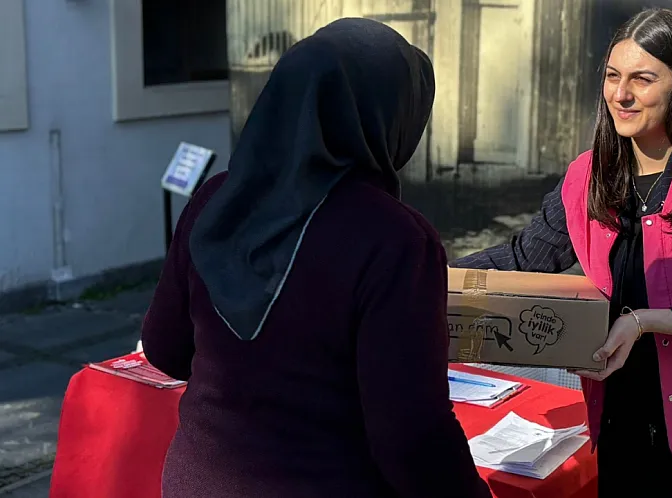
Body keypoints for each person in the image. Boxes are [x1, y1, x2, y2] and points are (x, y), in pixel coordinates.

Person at [141, 18, 491, 498]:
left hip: (195, 480)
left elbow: (164, 349)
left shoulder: (216, 199)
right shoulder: (394, 240)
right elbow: (410, 436)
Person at [452, 8, 672, 497]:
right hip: (624, 428)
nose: (621, 94)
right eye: (613, 76)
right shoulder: (589, 178)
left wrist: (644, 321)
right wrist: (424, 271)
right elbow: (522, 257)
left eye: (642, 79)